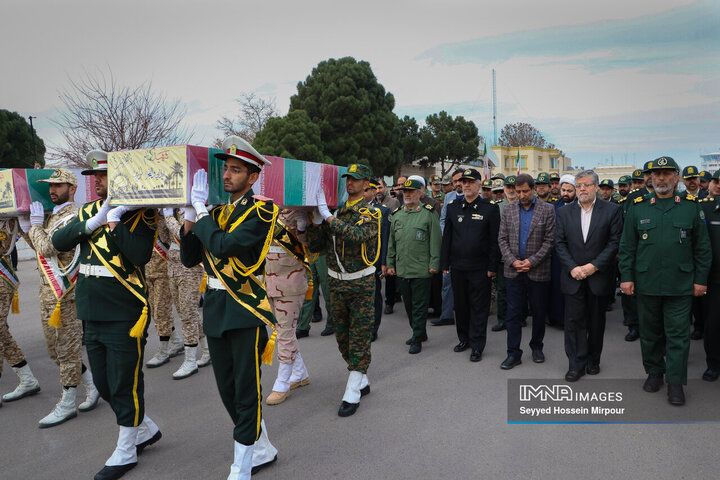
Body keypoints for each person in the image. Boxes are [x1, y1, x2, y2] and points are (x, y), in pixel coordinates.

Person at [53, 150, 161, 480]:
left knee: (125, 382)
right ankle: (144, 428)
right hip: (92, 310)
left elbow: (139, 255)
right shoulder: (87, 210)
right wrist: (93, 221)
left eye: (103, 176)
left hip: (124, 312)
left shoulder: (142, 215)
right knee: (102, 381)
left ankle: (126, 449)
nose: (97, 181)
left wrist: (115, 221)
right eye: (94, 177)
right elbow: (58, 240)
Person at [180, 136, 279, 478]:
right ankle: (261, 445)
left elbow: (224, 247)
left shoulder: (263, 211)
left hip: (244, 309)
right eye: (226, 169)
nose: (227, 176)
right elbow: (190, 258)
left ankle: (242, 464)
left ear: (252, 178)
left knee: (246, 389)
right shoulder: (217, 212)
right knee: (226, 388)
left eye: (236, 170)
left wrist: (204, 214)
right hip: (216, 308)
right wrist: (191, 218)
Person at [618, 156, 711, 406]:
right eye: (657, 174)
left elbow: (702, 248)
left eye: (667, 173)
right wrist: (626, 277)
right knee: (650, 333)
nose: (661, 178)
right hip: (647, 282)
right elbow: (627, 247)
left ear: (676, 177)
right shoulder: (639, 206)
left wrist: (700, 280)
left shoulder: (690, 206)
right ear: (650, 178)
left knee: (678, 335)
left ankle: (675, 382)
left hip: (680, 284)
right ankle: (654, 372)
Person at [18, 168, 99, 427]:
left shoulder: (74, 217)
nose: (52, 190)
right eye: (50, 185)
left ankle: (67, 401)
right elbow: (43, 253)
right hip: (47, 293)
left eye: (59, 185)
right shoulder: (52, 216)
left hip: (66, 295)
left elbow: (49, 246)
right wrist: (28, 229)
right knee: (55, 351)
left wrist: (36, 227)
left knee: (66, 350)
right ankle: (91, 385)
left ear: (72, 188)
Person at [306, 163, 380, 417]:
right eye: (348, 178)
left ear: (366, 184)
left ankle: (352, 388)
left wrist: (327, 217)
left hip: (361, 284)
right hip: (336, 283)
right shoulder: (335, 212)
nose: (350, 183)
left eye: (356, 179)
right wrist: (313, 224)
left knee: (359, 335)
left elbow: (355, 236)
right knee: (342, 337)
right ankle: (361, 376)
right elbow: (317, 246)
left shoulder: (370, 214)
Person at [555, 170, 623, 381]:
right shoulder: (564, 213)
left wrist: (593, 267)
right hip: (572, 276)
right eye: (579, 185)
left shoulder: (612, 210)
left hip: (598, 277)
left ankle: (594, 360)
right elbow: (559, 243)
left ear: (596, 187)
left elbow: (614, 243)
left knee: (596, 322)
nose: (581, 189)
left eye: (586, 185)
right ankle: (576, 364)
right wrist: (573, 267)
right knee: (574, 322)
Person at [441, 168, 500, 362]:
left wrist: (492, 266)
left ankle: (477, 345)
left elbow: (494, 241)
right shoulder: (453, 206)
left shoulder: (489, 208)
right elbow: (447, 238)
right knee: (461, 306)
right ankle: (464, 339)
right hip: (458, 266)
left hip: (480, 268)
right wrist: (444, 262)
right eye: (463, 182)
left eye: (470, 182)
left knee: (479, 307)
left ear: (479, 184)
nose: (466, 185)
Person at [497, 174, 555, 369]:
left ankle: (537, 347)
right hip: (513, 271)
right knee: (513, 314)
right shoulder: (508, 209)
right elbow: (502, 239)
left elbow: (550, 241)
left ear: (533, 189)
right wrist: (513, 261)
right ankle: (513, 353)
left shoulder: (547, 210)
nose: (521, 195)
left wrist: (531, 261)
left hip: (538, 271)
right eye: (518, 191)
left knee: (538, 312)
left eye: (525, 191)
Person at [386, 178, 441, 354]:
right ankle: (420, 331)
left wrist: (434, 263)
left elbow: (435, 241)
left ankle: (417, 337)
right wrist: (390, 263)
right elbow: (391, 243)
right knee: (409, 305)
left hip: (421, 269)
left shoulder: (428, 213)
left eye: (411, 192)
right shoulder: (397, 215)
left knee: (419, 306)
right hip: (403, 269)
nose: (407, 195)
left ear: (419, 194)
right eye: (405, 192)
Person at [264, 209, 311, 405]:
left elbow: (312, 245)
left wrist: (303, 227)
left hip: (290, 280)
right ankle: (300, 373)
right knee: (285, 330)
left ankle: (282, 381)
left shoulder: (301, 210)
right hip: (269, 278)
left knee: (284, 333)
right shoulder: (266, 210)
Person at [162, 208, 211, 378]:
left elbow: (183, 234)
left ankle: (190, 360)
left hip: (190, 268)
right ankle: (207, 350)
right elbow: (163, 237)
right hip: (172, 266)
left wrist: (168, 216)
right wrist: (162, 215)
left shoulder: (194, 209)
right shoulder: (173, 209)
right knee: (185, 312)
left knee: (188, 314)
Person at [1, 217, 41, 406]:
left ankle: (28, 380)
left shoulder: (8, 215)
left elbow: (36, 245)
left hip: (1, 279)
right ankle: (27, 379)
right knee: (2, 333)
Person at [144, 213, 185, 372]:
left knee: (162, 310)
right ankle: (176, 341)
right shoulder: (145, 214)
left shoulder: (167, 213)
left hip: (164, 268)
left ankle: (163, 350)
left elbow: (173, 238)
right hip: (148, 268)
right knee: (155, 310)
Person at [433, 168, 466, 327]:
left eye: (461, 180)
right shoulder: (449, 197)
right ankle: (446, 315)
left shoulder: (477, 198)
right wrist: (445, 239)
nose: (458, 184)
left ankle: (468, 315)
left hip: (467, 249)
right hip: (450, 247)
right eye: (455, 181)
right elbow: (443, 220)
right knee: (447, 282)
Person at [547, 175, 577, 328]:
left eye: (569, 190)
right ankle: (557, 317)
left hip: (576, 254)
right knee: (557, 286)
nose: (566, 193)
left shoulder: (581, 206)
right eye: (563, 190)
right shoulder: (553, 206)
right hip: (557, 254)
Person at [700, 171, 720, 381]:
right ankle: (713, 364)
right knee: (713, 325)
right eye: (716, 181)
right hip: (714, 280)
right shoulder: (704, 208)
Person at [366, 179, 390, 341]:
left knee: (374, 295)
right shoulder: (350, 209)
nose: (364, 192)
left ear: (374, 191)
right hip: (355, 261)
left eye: (368, 189)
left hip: (373, 259)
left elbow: (386, 239)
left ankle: (373, 328)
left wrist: (384, 262)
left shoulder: (383, 211)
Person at [490, 178, 509, 332]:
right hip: (503, 256)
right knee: (502, 290)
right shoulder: (497, 207)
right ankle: (502, 319)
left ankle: (519, 317)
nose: (510, 190)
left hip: (520, 256)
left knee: (519, 290)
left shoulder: (525, 205)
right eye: (507, 187)